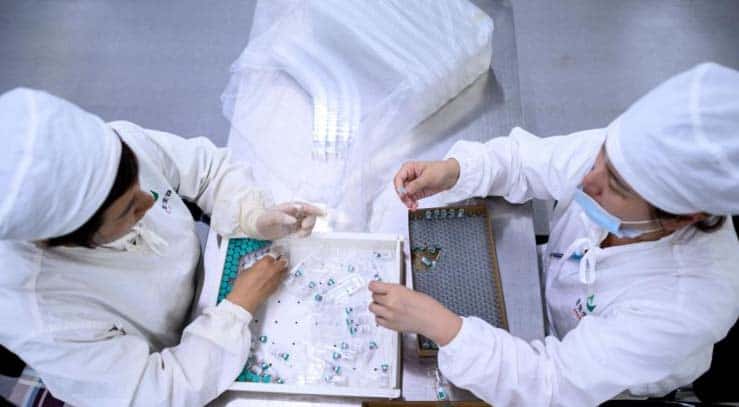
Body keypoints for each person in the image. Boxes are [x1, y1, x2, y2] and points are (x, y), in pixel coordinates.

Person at [369, 62, 739, 406]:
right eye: (601, 157)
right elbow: (526, 161)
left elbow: (553, 385)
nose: (588, 180)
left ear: (680, 219)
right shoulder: (623, 158)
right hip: (542, 298)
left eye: (615, 187)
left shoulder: (683, 307)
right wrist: (457, 170)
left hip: (593, 388)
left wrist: (440, 326)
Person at [0, 88, 323, 406]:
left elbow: (209, 170)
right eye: (129, 210)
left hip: (203, 297)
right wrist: (237, 308)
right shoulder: (43, 315)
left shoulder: (115, 149)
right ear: (67, 239)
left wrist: (251, 214)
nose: (150, 201)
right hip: (170, 357)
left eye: (140, 185)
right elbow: (154, 393)